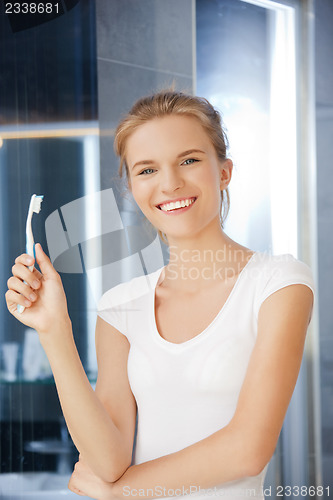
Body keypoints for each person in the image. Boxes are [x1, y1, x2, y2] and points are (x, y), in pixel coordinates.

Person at [5, 90, 315, 500]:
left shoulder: (279, 284)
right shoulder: (120, 305)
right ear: (131, 188)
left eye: (189, 160)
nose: (170, 184)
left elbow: (247, 450)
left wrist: (120, 492)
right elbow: (108, 460)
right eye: (147, 170)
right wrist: (54, 331)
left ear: (224, 172)